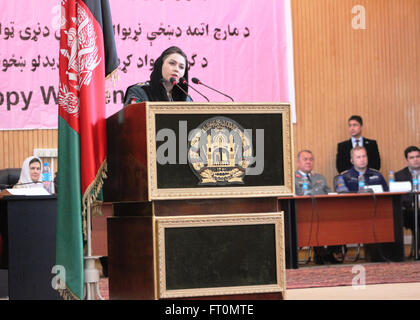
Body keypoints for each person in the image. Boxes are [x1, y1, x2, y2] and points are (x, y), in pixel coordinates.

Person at [295, 150, 341, 264]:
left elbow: (329, 193)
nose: (308, 162)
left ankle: (329, 253)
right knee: (315, 222)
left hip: (323, 212)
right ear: (298, 162)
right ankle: (320, 254)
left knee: (338, 220)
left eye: (311, 159)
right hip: (303, 214)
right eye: (305, 159)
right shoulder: (293, 179)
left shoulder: (320, 177)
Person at [123, 46, 190, 105]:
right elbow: (134, 116)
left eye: (181, 67)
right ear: (160, 65)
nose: (176, 69)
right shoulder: (139, 92)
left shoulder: (186, 99)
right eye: (172, 63)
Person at [395, 146, 420, 252]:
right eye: (412, 157)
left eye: (418, 156)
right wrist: (416, 203)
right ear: (407, 160)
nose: (415, 159)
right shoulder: (399, 176)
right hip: (410, 210)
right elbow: (401, 197)